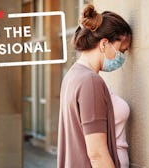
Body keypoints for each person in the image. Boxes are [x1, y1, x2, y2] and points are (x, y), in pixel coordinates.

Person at [57, 3, 132, 168]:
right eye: (122, 50)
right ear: (104, 44)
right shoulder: (90, 81)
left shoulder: (72, 76)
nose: (123, 56)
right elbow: (97, 154)